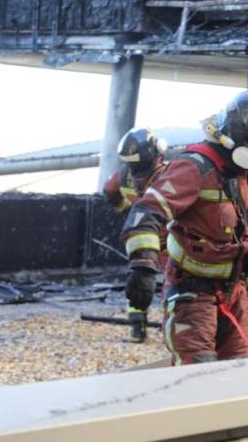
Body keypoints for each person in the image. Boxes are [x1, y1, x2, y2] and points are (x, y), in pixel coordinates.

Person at [121, 89, 248, 365]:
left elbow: (241, 225)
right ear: (238, 136)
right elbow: (146, 212)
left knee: (238, 376)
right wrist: (142, 267)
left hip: (236, 292)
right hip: (193, 294)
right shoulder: (194, 167)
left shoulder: (245, 170)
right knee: (198, 379)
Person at [102, 127, 168, 341]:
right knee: (174, 282)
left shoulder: (124, 174)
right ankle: (175, 328)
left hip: (140, 238)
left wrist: (125, 209)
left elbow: (110, 191)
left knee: (138, 280)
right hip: (168, 239)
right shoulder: (169, 174)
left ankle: (137, 328)